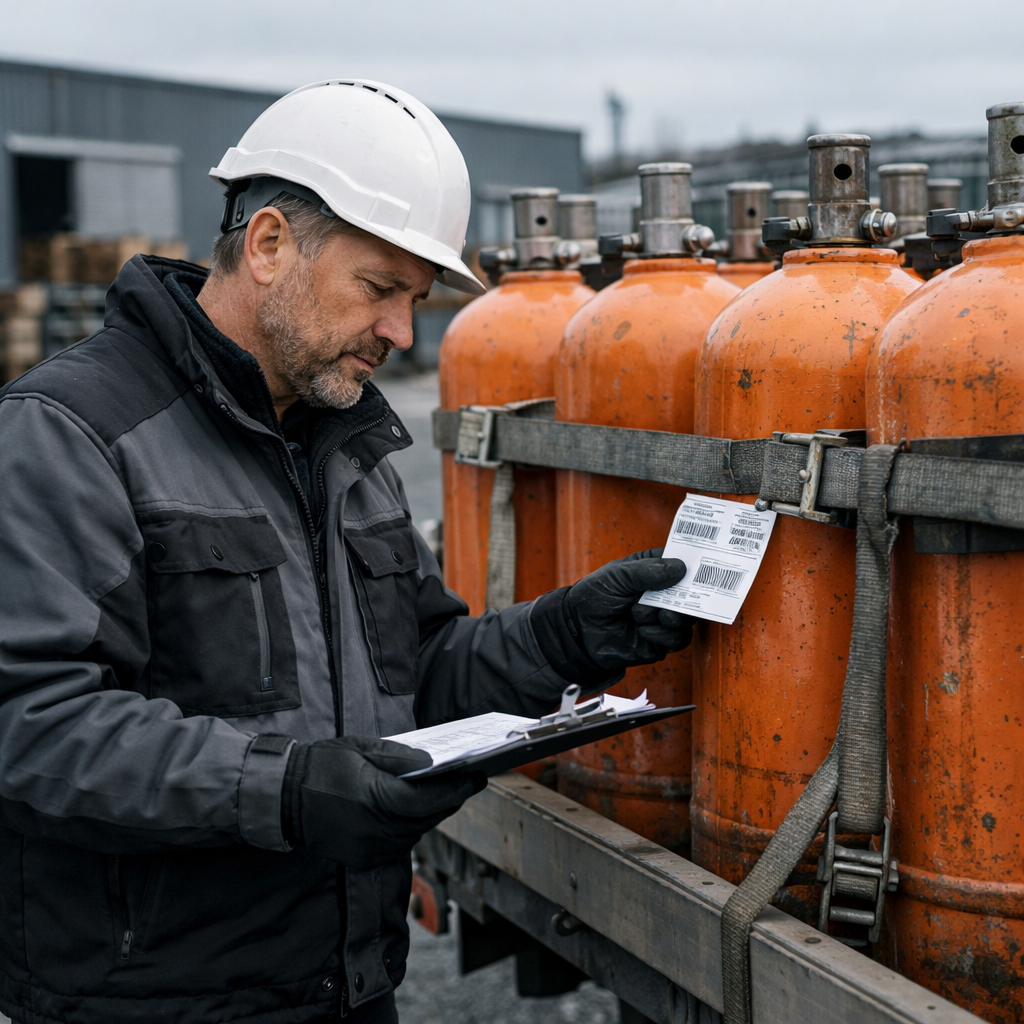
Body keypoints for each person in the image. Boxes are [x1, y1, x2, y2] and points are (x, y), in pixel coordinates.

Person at [0, 80, 691, 1024]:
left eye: (415, 299)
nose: (403, 333)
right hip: (154, 1001)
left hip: (351, 989)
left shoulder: (343, 445)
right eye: (380, 289)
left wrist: (562, 637)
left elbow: (422, 677)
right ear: (270, 243)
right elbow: (32, 725)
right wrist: (287, 788)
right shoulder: (72, 432)